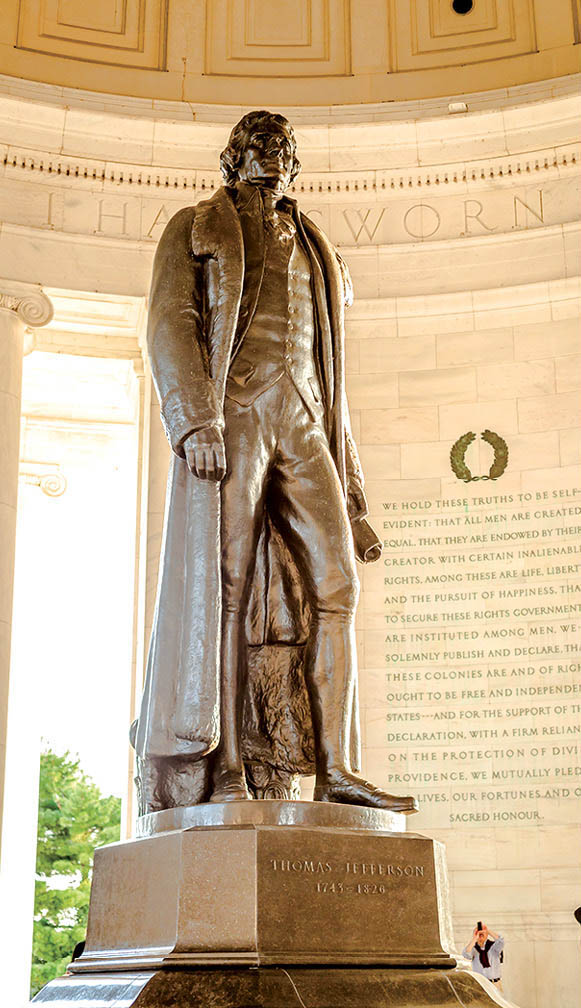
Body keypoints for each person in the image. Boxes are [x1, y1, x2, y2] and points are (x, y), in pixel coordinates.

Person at [133, 110, 417, 813]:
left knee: (337, 586)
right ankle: (229, 763)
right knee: (224, 591)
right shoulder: (196, 225)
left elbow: (333, 372)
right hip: (234, 412)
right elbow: (170, 323)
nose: (270, 155)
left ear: (294, 162)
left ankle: (337, 769)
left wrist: (353, 500)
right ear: (233, 158)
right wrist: (194, 420)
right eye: (256, 145)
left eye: (280, 146)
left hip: (305, 417)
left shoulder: (316, 244)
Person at [463, 923, 505, 990]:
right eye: (479, 933)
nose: (480, 934)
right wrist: (474, 938)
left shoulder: (493, 947)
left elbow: (501, 941)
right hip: (480, 985)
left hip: (495, 983)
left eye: (483, 933)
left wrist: (488, 931)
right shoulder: (474, 949)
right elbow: (466, 954)